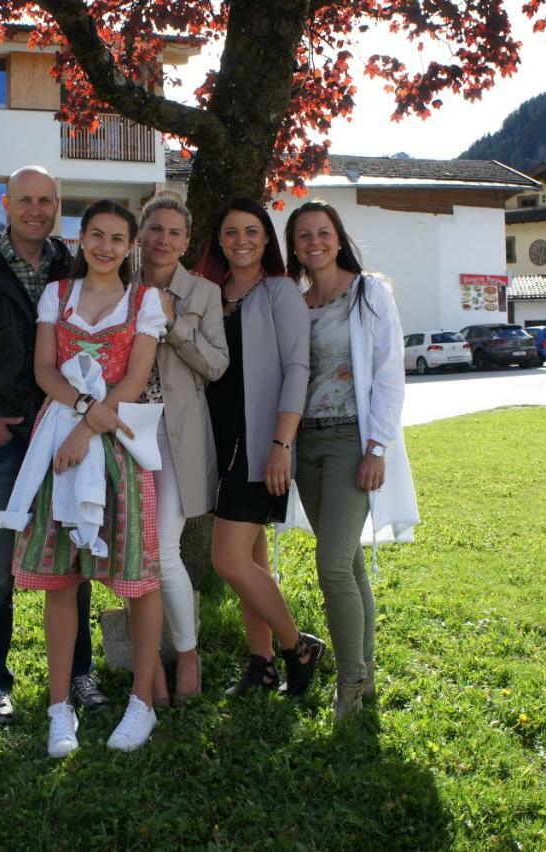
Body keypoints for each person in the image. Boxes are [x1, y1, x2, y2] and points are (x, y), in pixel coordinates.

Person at [0, 166, 108, 727]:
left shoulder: (72, 266)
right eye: (25, 200)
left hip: (66, 436)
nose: (36, 209)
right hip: (5, 438)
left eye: (47, 200)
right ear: (7, 204)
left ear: (59, 205)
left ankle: (80, 673)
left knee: (74, 555)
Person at [9, 199, 167, 757]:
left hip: (118, 449)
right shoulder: (58, 295)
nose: (105, 247)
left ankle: (141, 703)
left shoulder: (146, 302)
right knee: (62, 577)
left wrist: (90, 428)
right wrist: (80, 410)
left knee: (136, 581)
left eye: (117, 239)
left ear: (131, 247)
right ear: (80, 239)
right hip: (61, 443)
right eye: (95, 235)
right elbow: (44, 370)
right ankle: (60, 710)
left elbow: (137, 375)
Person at [283, 200, 418, 720]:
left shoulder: (369, 292)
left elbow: (389, 372)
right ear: (294, 246)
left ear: (338, 238)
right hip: (308, 444)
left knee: (332, 565)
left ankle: (350, 684)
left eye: (323, 232)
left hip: (352, 441)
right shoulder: (297, 301)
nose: (314, 242)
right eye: (303, 236)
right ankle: (366, 672)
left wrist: (377, 447)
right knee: (350, 561)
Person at [195, 197, 326, 698]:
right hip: (219, 443)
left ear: (267, 239)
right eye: (231, 232)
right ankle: (262, 663)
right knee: (253, 562)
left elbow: (298, 368)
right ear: (220, 241)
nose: (242, 241)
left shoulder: (280, 291)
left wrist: (280, 443)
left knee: (227, 560)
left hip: (258, 443)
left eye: (252, 231)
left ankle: (299, 647)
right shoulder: (210, 293)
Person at [133, 192, 229, 706]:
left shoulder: (205, 293)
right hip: (123, 432)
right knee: (131, 549)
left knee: (163, 549)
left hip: (175, 435)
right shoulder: (119, 286)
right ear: (142, 234)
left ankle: (187, 652)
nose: (164, 239)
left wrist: (172, 325)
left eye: (174, 232)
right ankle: (147, 670)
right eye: (155, 229)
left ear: (187, 241)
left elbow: (216, 364)